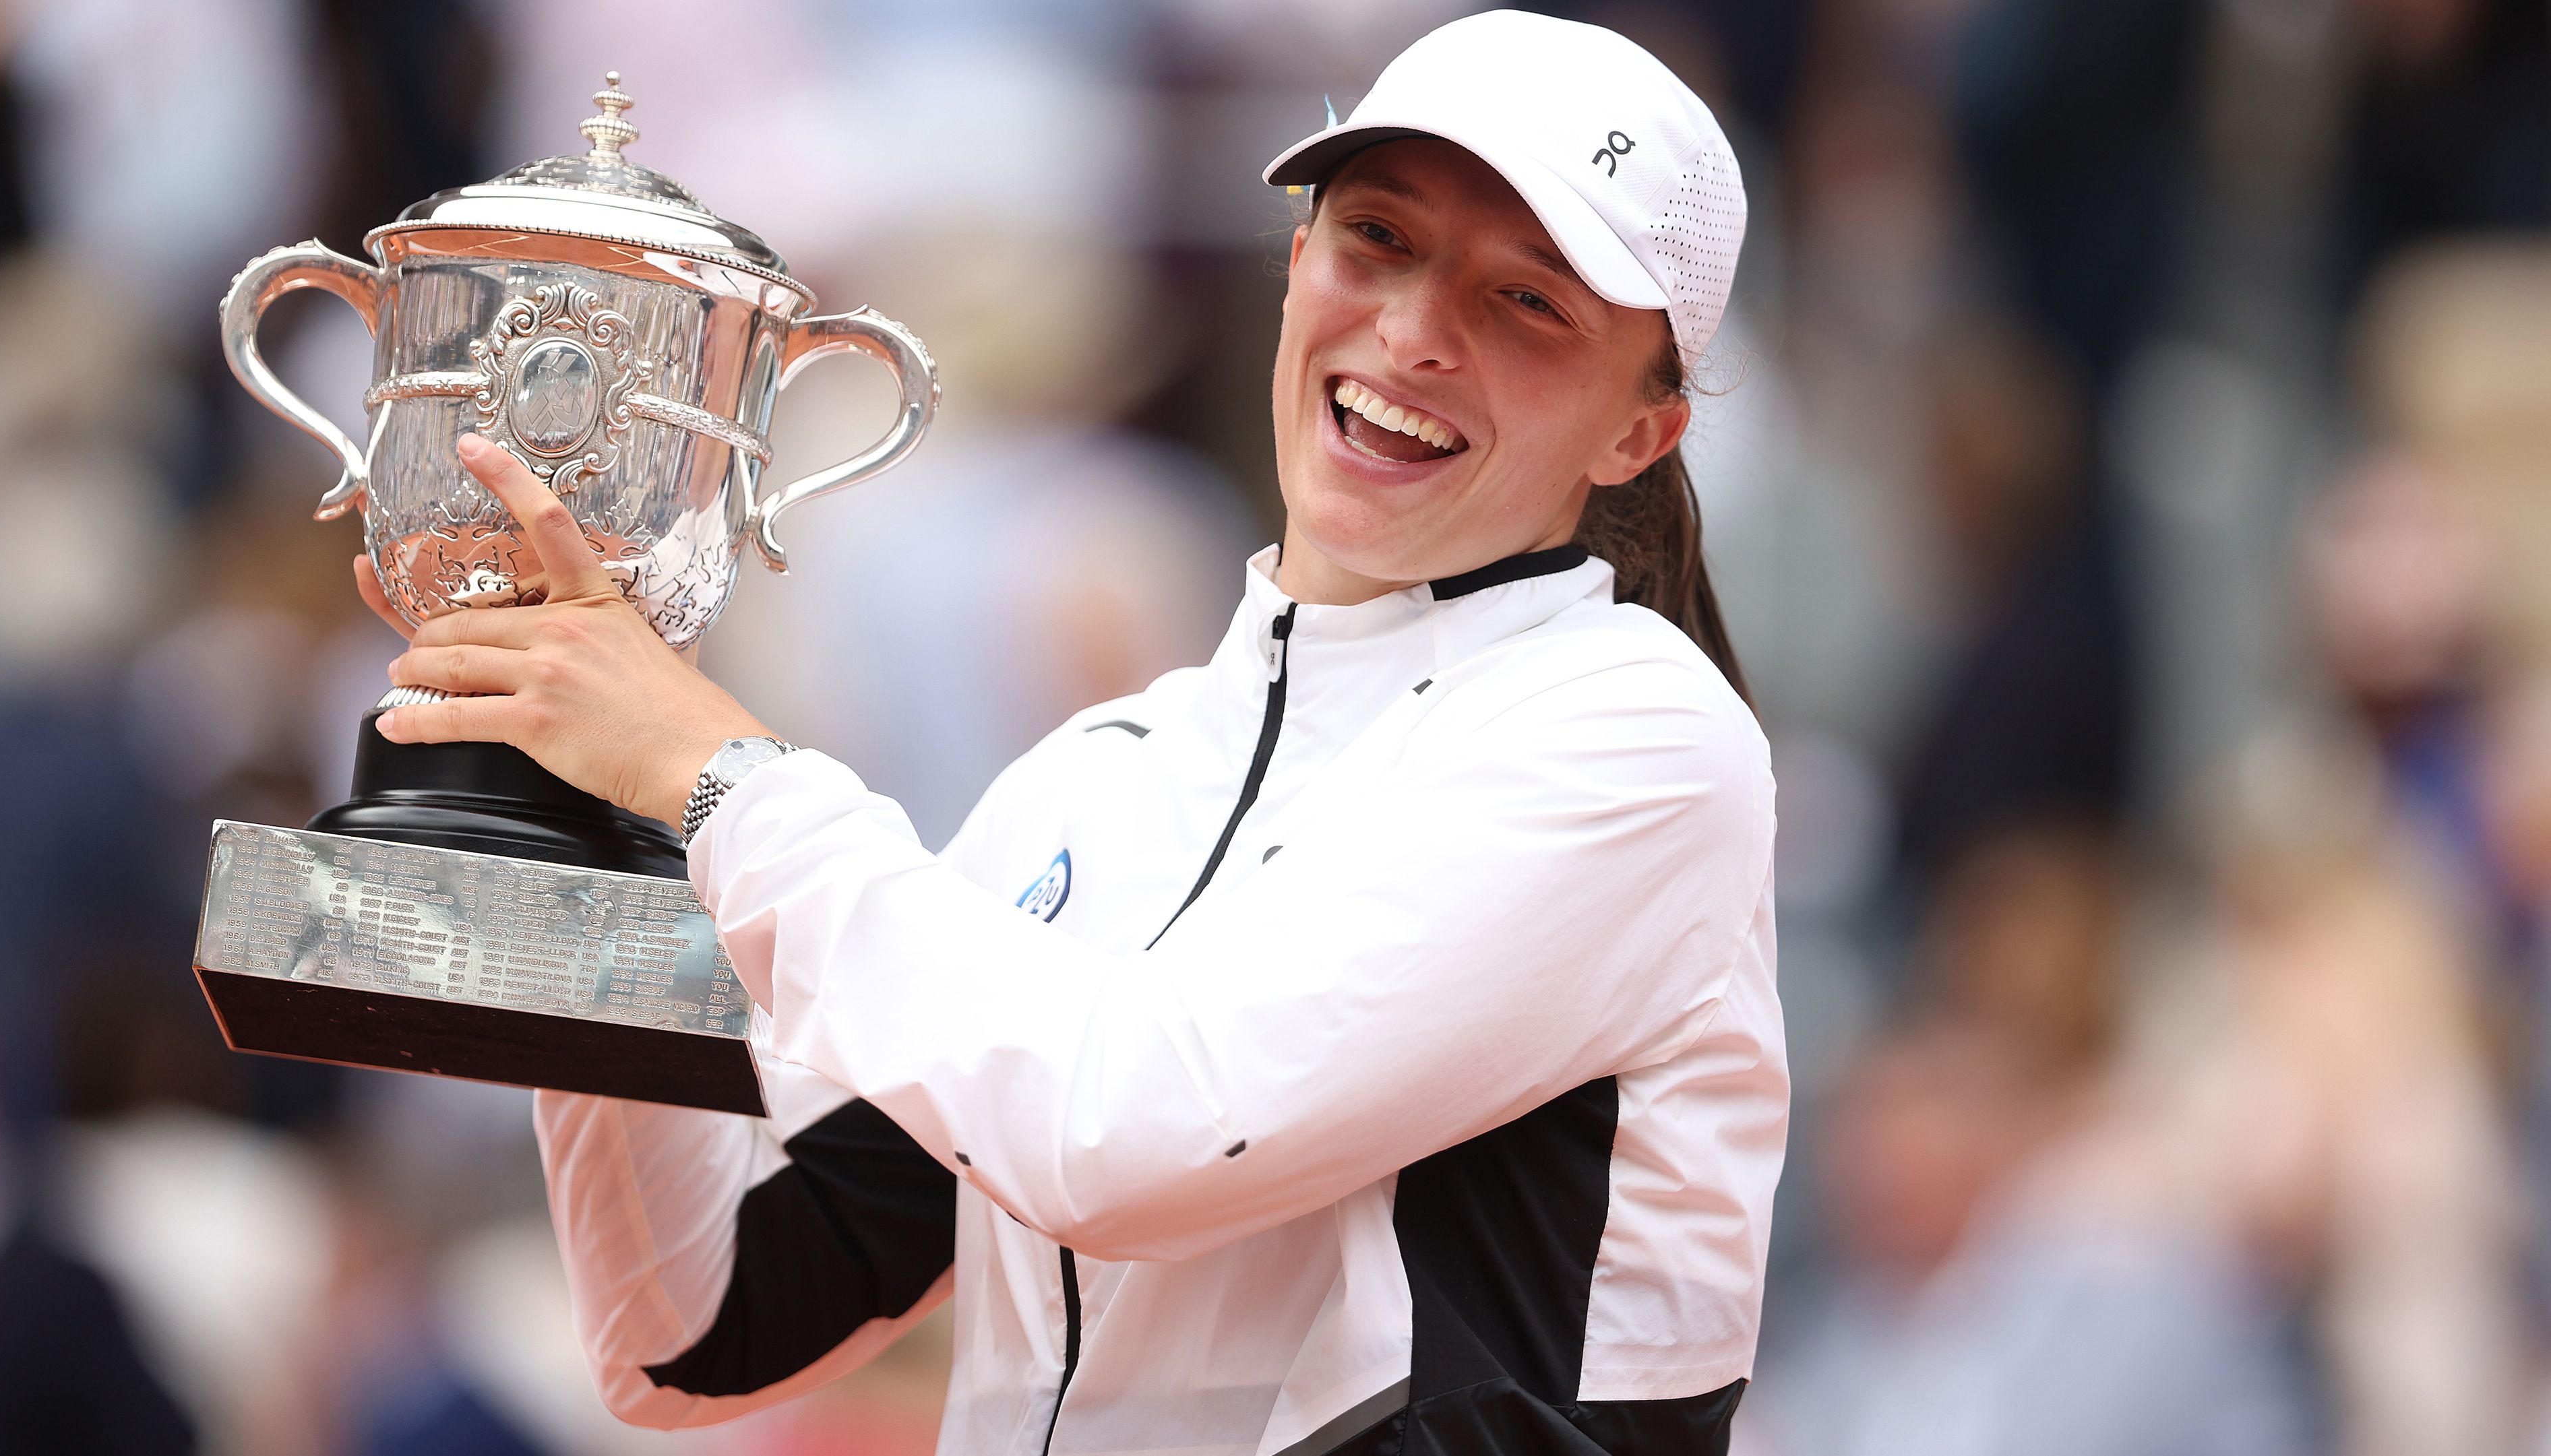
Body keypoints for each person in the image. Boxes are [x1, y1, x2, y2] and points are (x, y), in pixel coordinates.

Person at [357, 13, 1785, 1455]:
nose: (1415, 335)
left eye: (1528, 302)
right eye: (1380, 239)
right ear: (1297, 266)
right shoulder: (1103, 776)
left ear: (1640, 434)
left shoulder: (1639, 732)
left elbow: (1134, 1132)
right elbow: (691, 1330)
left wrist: (715, 778)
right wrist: (602, 814)